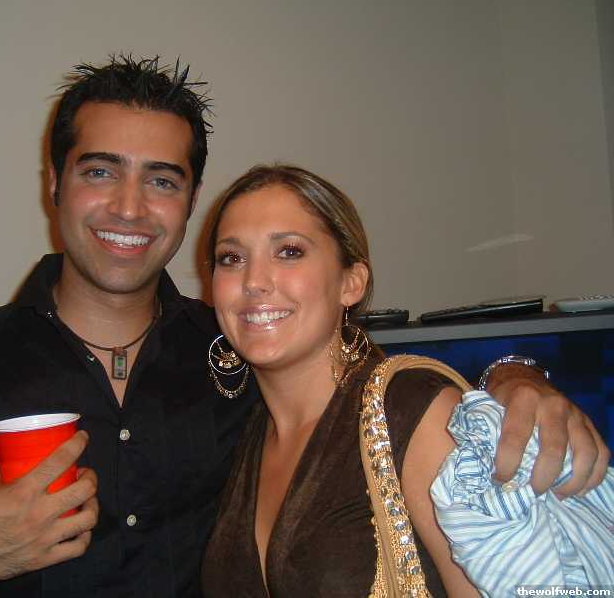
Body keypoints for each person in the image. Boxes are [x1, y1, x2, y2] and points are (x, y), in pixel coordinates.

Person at [0, 57, 608, 598]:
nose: (130, 207)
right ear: (55, 183)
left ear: (189, 200)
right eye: (100, 171)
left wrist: (514, 375)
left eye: (161, 180)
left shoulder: (239, 348)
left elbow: (374, 393)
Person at [200, 164, 612, 596]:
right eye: (232, 258)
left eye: (289, 251)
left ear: (351, 283)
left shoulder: (410, 411)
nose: (253, 281)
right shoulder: (242, 429)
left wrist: (514, 373)